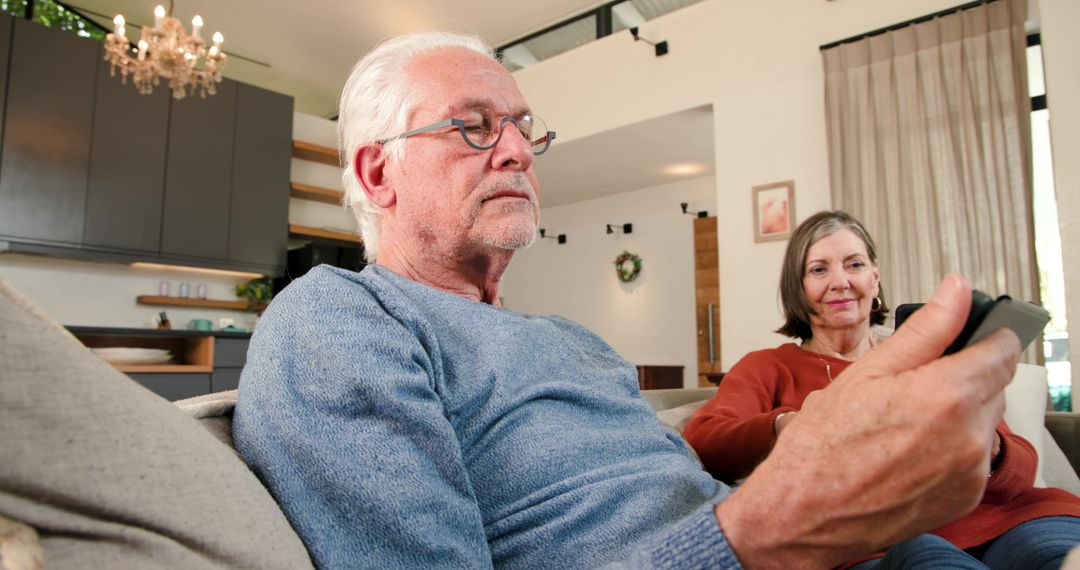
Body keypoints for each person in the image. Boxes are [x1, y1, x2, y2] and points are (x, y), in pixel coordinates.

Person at [232, 32, 1023, 569]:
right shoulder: (338, 317)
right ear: (378, 175)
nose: (515, 149)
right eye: (472, 128)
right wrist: (770, 522)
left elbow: (682, 488)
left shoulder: (574, 339)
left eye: (520, 127)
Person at [684, 210, 1080, 569]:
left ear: (875, 278)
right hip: (883, 543)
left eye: (854, 265)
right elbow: (705, 440)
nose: (840, 281)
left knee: (1054, 555)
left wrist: (987, 446)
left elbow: (1022, 472)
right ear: (798, 288)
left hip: (1016, 519)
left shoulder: (929, 355)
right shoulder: (768, 365)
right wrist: (795, 426)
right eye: (818, 270)